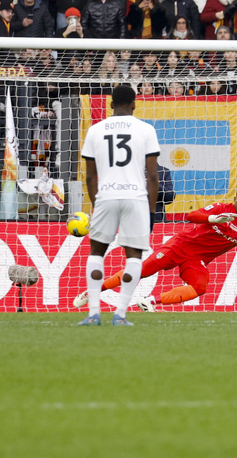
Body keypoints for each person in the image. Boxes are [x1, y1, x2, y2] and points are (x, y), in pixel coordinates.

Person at [74, 185, 237, 312]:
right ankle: (93, 291)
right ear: (235, 199)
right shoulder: (221, 208)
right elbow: (190, 216)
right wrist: (211, 218)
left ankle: (149, 301)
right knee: (142, 271)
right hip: (179, 246)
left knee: (200, 288)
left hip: (196, 260)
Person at [76, 84, 159, 326]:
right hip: (135, 198)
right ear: (135, 104)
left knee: (96, 252)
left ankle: (93, 313)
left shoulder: (94, 130)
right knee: (134, 257)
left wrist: (97, 204)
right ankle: (120, 315)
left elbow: (90, 176)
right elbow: (152, 176)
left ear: (111, 104)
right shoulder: (146, 130)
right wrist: (151, 212)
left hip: (106, 196)